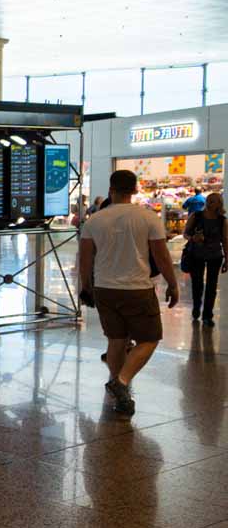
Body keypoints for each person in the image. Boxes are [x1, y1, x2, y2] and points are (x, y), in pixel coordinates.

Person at [79, 169, 178, 417]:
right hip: (136, 289)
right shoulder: (147, 218)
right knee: (149, 338)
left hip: (105, 289)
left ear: (111, 189)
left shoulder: (94, 220)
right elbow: (161, 256)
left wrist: (86, 286)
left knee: (116, 339)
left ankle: (118, 386)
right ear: (134, 190)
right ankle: (121, 382)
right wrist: (172, 283)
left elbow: (85, 258)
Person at [183, 191, 226, 327]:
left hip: (215, 256)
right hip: (197, 254)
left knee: (212, 286)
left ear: (219, 204)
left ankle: (208, 315)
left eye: (212, 201)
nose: (208, 203)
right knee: (197, 284)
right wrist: (192, 238)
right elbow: (185, 233)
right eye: (208, 200)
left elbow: (225, 240)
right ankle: (196, 307)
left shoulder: (222, 220)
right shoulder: (196, 216)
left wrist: (227, 259)